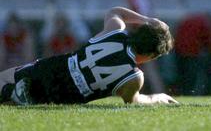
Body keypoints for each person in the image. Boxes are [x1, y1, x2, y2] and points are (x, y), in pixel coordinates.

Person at [0, 7, 177, 105]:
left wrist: (147, 20)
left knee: (2, 80)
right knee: (17, 100)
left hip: (54, 68)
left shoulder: (115, 32)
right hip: (63, 96)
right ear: (152, 55)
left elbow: (115, 12)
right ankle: (16, 94)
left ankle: (13, 92)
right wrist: (157, 97)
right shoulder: (134, 77)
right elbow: (135, 101)